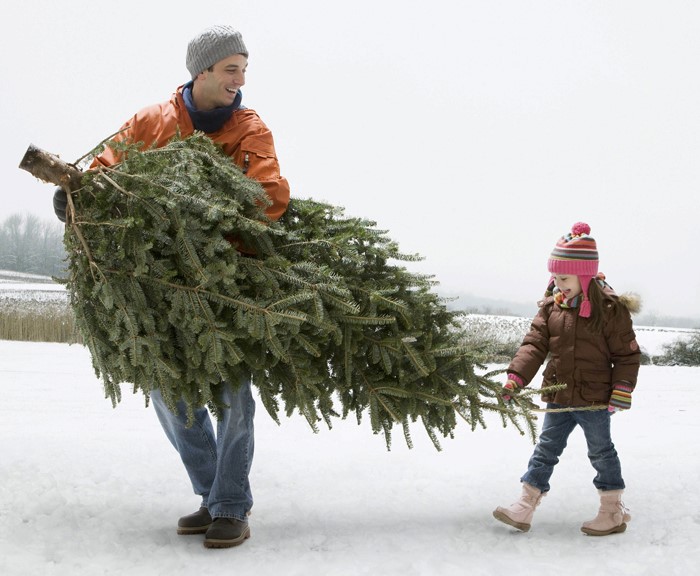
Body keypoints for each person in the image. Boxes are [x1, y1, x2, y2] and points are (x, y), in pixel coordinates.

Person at [53, 25, 290, 548]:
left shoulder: (249, 128)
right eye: (231, 69)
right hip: (157, 286)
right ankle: (210, 496)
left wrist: (203, 220)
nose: (240, 80)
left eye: (244, 70)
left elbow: (269, 196)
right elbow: (103, 172)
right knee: (168, 391)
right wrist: (77, 199)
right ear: (201, 71)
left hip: (226, 283)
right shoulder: (150, 121)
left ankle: (232, 505)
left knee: (232, 396)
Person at [492, 222, 640, 537]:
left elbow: (626, 356)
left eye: (564, 277)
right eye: (555, 277)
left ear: (584, 275)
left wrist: (622, 390)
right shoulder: (550, 309)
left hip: (594, 399)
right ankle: (525, 505)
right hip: (558, 394)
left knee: (601, 451)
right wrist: (515, 378)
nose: (558, 284)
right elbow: (532, 347)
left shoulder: (610, 311)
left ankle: (612, 510)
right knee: (545, 448)